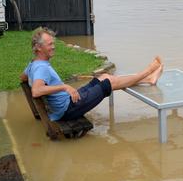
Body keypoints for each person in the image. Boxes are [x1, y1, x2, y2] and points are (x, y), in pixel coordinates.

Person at [20, 27, 163, 122]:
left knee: (105, 77)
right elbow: (36, 91)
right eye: (49, 44)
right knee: (109, 83)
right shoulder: (41, 68)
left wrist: (59, 88)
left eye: (53, 43)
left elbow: (23, 78)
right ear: (38, 47)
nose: (53, 47)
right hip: (69, 109)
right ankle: (148, 71)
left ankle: (148, 79)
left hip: (70, 100)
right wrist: (64, 87)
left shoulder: (33, 64)